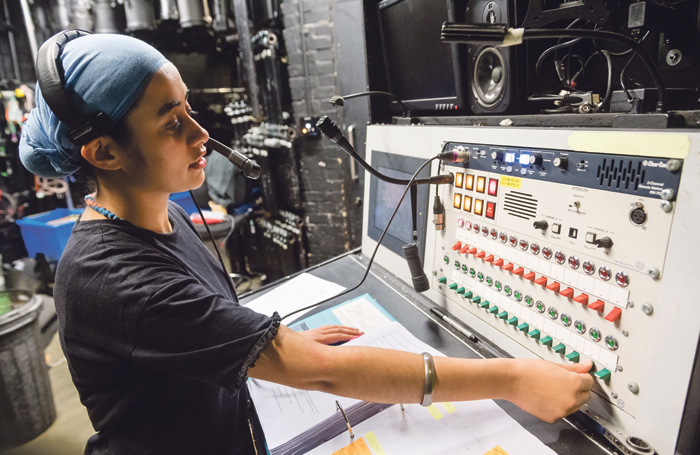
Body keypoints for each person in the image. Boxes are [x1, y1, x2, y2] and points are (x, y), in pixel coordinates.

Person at [20, 33, 594, 455]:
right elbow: (318, 372)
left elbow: (194, 330)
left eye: (189, 108)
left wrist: (256, 343)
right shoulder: (109, 279)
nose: (202, 134)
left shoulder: (163, 212)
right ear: (102, 153)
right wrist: (516, 379)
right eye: (172, 122)